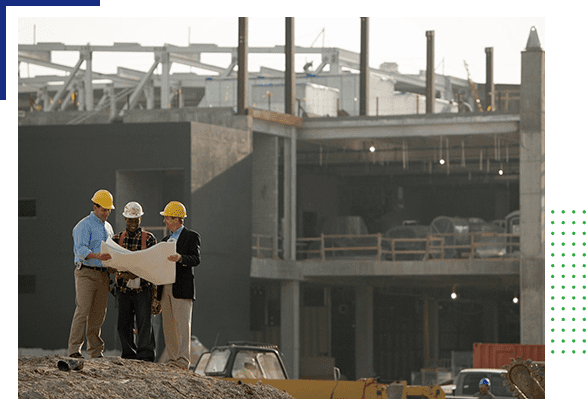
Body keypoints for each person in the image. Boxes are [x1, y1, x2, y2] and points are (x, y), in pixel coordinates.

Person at [68, 189, 115, 359]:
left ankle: (95, 351)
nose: (106, 212)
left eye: (109, 210)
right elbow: (81, 250)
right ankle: (74, 349)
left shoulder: (108, 227)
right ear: (95, 206)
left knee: (99, 314)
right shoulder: (83, 225)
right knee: (83, 310)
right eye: (104, 209)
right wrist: (97, 256)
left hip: (103, 275)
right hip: (86, 273)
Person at [157, 201, 201, 369]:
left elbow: (196, 259)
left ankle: (183, 361)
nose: (165, 221)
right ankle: (173, 359)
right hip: (166, 286)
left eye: (167, 218)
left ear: (176, 219)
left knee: (182, 325)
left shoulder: (191, 237)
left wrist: (180, 258)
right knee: (168, 325)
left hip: (181, 287)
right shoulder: (165, 240)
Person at [112, 201, 158, 362]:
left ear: (140, 219)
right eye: (130, 220)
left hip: (143, 288)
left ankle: (145, 355)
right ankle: (128, 354)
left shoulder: (150, 239)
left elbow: (154, 266)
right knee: (123, 324)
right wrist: (123, 275)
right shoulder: (116, 239)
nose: (133, 223)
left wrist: (136, 273)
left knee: (144, 323)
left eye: (136, 219)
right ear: (125, 219)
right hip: (123, 290)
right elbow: (111, 264)